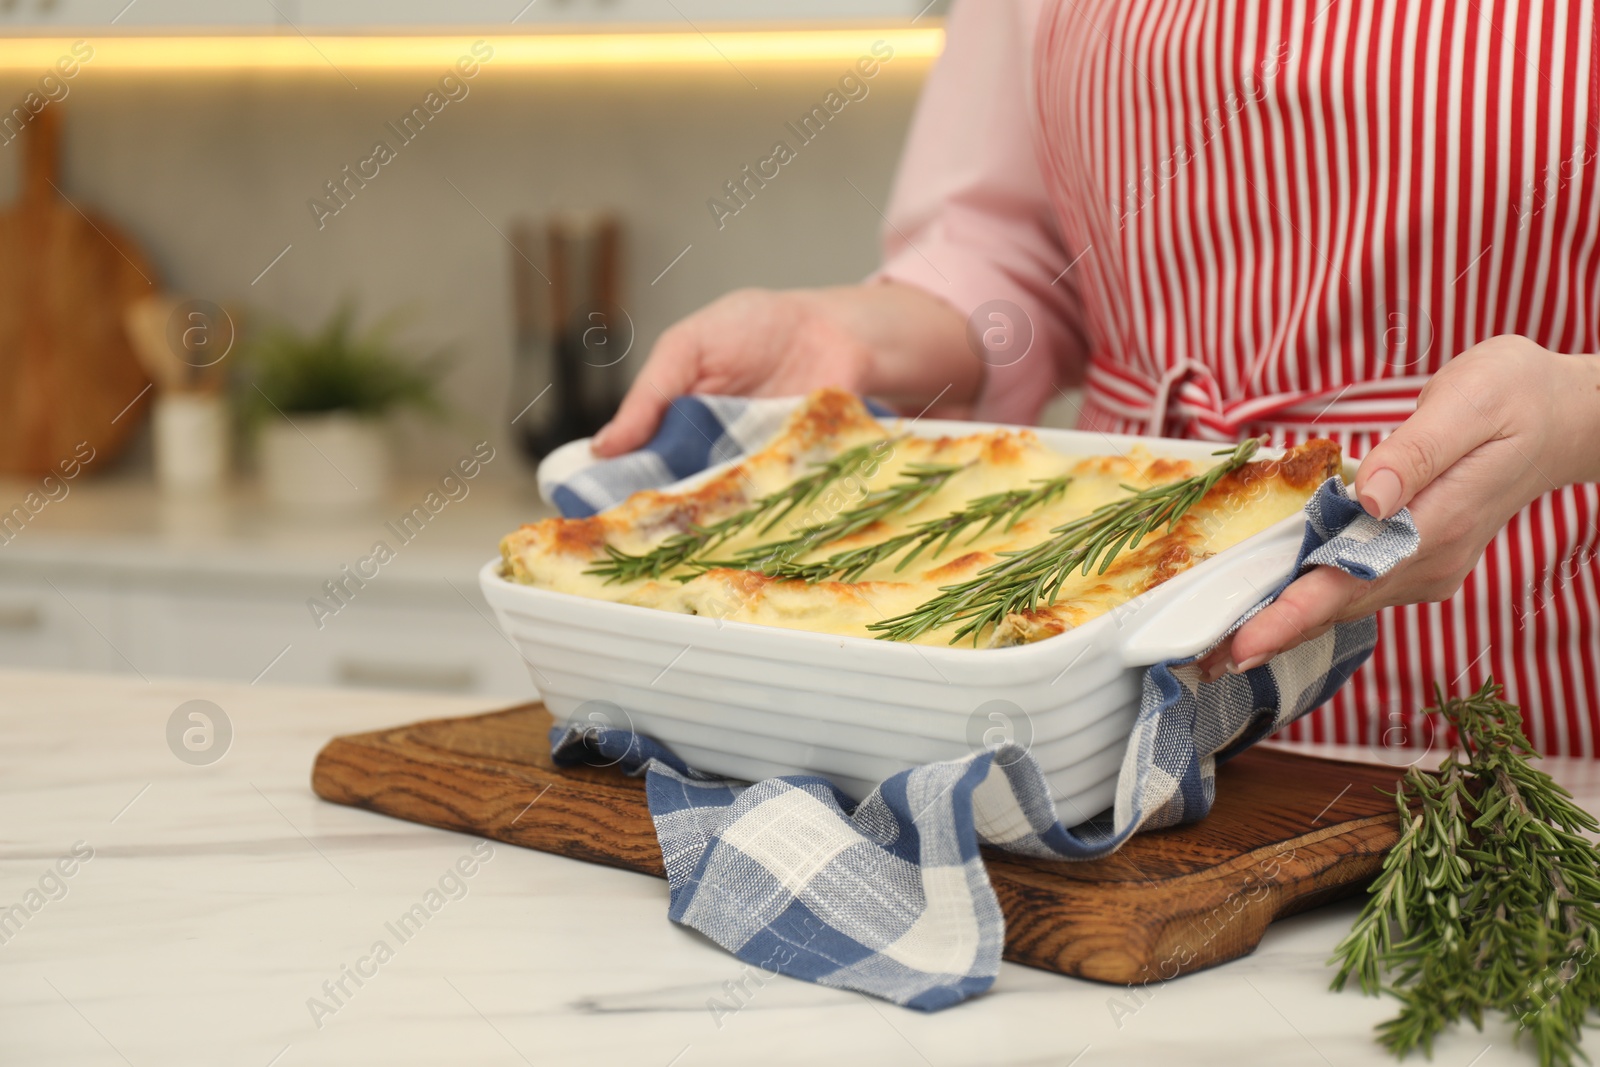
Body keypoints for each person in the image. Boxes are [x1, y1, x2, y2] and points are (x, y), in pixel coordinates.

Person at [591, 0, 1600, 755]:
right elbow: (1015, 249)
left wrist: (1563, 414)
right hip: (1105, 645)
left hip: (1526, 664)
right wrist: (846, 334)